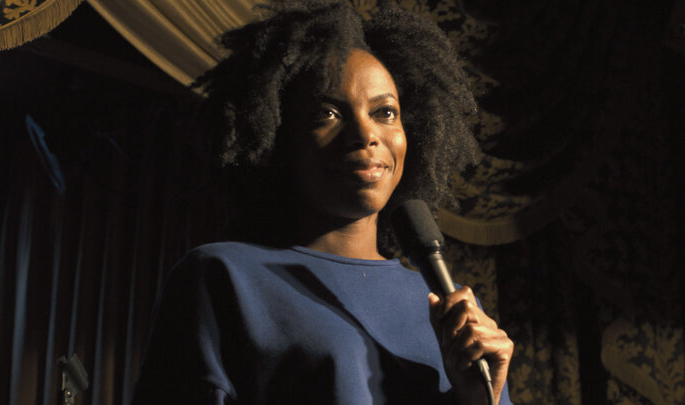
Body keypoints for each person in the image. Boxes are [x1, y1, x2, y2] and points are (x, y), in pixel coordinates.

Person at [132, 1, 514, 404]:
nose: (365, 134)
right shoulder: (223, 276)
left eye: (385, 112)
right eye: (327, 113)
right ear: (277, 137)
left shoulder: (455, 310)